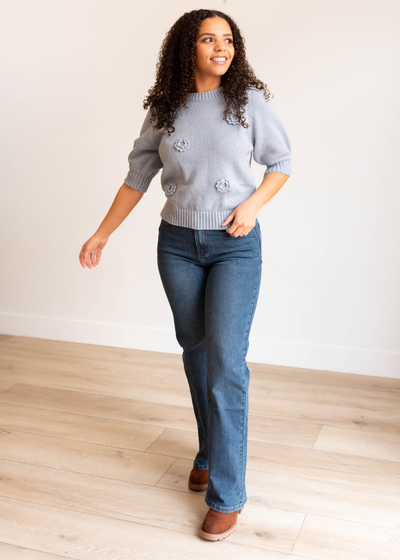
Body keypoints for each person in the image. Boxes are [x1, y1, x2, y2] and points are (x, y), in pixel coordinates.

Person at [79, 9, 291, 542]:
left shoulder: (249, 104)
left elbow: (282, 161)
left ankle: (227, 493)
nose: (221, 47)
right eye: (208, 38)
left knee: (226, 362)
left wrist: (254, 207)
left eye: (228, 39)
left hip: (234, 247)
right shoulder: (166, 108)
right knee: (196, 352)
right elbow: (137, 176)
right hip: (176, 245)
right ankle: (207, 450)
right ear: (185, 48)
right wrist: (102, 233)